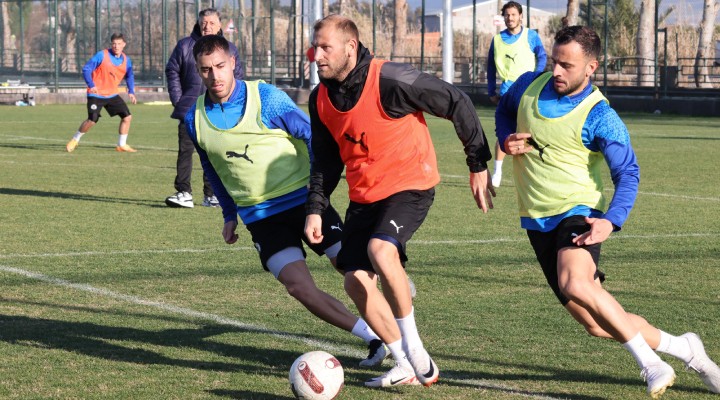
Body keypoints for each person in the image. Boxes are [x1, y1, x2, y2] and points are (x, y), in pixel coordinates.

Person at [496, 25, 720, 398]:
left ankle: (651, 363)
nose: (557, 71)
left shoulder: (600, 116)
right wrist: (505, 138)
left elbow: (627, 173)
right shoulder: (527, 86)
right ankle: (687, 349)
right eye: (555, 61)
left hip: (578, 212)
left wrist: (610, 220)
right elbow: (503, 109)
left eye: (567, 65)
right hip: (536, 218)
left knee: (575, 282)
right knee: (597, 325)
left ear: (591, 67)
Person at [304, 15, 494, 388]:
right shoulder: (320, 98)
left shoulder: (390, 79)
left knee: (381, 250)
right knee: (355, 280)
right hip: (364, 196)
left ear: (350, 47)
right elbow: (325, 160)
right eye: (316, 47)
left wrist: (477, 163)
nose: (318, 56)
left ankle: (416, 348)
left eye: (326, 47)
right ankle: (405, 362)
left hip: (410, 184)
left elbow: (456, 100)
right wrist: (315, 208)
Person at [184, 34, 388, 368]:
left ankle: (396, 327)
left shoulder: (265, 97)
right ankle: (374, 337)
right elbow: (211, 166)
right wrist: (229, 214)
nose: (215, 76)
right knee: (298, 287)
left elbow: (312, 137)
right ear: (197, 71)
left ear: (233, 61)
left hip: (305, 202)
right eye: (206, 70)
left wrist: (318, 195)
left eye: (220, 66)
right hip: (261, 217)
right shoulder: (195, 118)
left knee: (350, 268)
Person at [165, 8, 244, 208]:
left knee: (214, 152)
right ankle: (184, 192)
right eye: (203, 22)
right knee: (185, 151)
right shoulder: (184, 46)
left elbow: (239, 76)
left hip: (216, 109)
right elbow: (172, 70)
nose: (206, 26)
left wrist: (230, 102)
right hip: (189, 108)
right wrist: (178, 99)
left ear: (219, 25)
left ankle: (212, 195)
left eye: (211, 22)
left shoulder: (229, 49)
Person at [487, 1, 547, 188]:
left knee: (532, 131)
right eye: (507, 15)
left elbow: (542, 56)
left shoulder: (531, 36)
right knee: (505, 133)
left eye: (513, 14)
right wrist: (491, 90)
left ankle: (536, 173)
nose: (510, 18)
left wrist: (536, 76)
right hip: (507, 93)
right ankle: (497, 172)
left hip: (529, 91)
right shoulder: (497, 40)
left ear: (521, 16)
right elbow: (490, 66)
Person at [66, 33, 138, 153]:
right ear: (111, 44)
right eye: (114, 43)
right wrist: (91, 85)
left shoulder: (126, 60)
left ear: (124, 45)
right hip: (96, 93)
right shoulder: (102, 55)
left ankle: (121, 145)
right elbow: (86, 69)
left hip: (112, 94)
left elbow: (129, 75)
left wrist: (131, 91)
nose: (116, 46)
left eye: (119, 43)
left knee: (127, 117)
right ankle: (75, 139)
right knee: (92, 120)